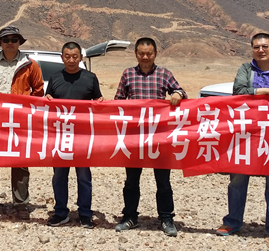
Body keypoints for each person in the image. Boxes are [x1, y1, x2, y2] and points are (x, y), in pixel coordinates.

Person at [216, 32, 269, 246]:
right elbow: (239, 91)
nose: (260, 50)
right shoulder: (246, 70)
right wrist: (267, 91)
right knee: (237, 179)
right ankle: (233, 222)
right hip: (245, 135)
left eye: (264, 46)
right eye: (256, 47)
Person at [113, 37, 187, 237]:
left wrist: (178, 94)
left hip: (159, 137)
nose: (145, 57)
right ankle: (130, 217)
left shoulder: (164, 74)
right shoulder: (128, 74)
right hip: (134, 138)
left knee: (163, 181)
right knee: (131, 180)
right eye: (141, 53)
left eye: (149, 53)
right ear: (136, 54)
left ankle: (166, 218)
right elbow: (118, 101)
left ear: (155, 53)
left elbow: (181, 91)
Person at [0, 25, 44, 221]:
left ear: (19, 42)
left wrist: (28, 111)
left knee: (20, 162)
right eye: (6, 40)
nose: (10, 43)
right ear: (1, 43)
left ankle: (21, 203)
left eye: (14, 39)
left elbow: (38, 91)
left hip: (19, 121)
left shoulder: (30, 65)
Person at [45, 41, 103, 229]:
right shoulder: (54, 78)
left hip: (83, 137)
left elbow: (98, 101)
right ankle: (60, 212)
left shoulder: (90, 78)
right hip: (60, 136)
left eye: (75, 57)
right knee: (59, 176)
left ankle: (85, 213)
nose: (71, 60)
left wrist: (100, 102)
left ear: (80, 57)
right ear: (62, 57)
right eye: (67, 57)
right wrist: (47, 99)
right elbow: (48, 102)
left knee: (84, 176)